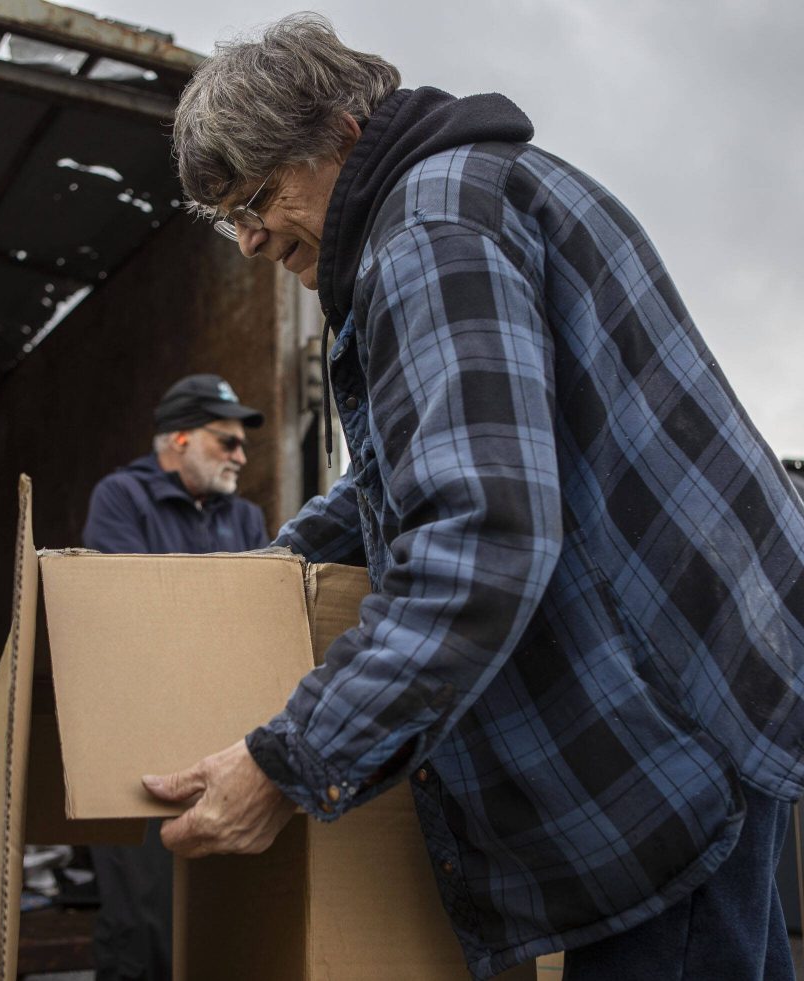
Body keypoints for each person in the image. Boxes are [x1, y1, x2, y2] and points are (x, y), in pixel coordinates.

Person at [141, 14, 804, 981]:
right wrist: (271, 573)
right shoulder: (464, 198)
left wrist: (286, 762)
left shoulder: (429, 235)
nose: (245, 239)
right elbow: (419, 472)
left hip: (667, 732)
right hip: (703, 693)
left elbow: (482, 534)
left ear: (341, 137)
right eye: (225, 216)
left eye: (257, 196)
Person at [83, 372, 268, 981]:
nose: (241, 457)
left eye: (243, 444)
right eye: (227, 442)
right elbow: (131, 612)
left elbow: (261, 618)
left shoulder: (245, 519)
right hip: (135, 744)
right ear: (181, 438)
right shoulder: (120, 497)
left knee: (223, 911)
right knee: (141, 920)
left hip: (221, 743)